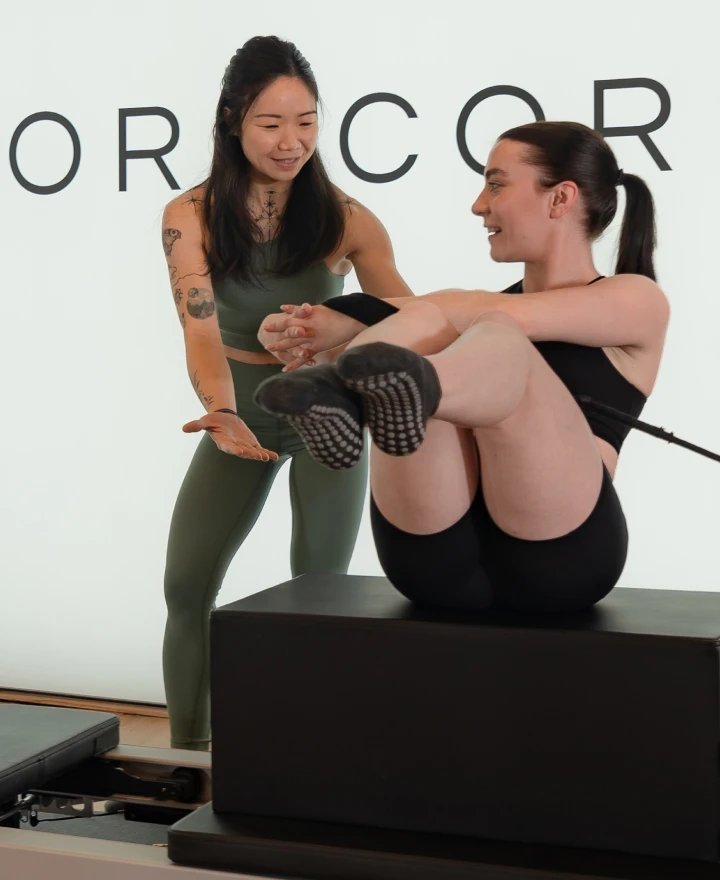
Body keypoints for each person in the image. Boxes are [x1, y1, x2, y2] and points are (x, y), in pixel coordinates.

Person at [254, 121, 670, 613]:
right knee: (433, 328)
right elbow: (444, 311)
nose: (479, 204)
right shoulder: (466, 313)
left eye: (496, 184)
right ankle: (347, 387)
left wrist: (350, 318)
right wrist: (311, 338)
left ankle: (381, 387)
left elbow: (487, 314)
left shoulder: (635, 298)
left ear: (560, 199)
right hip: (433, 552)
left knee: (487, 333)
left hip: (560, 554)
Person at [161, 35, 412, 750]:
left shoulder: (347, 217)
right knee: (186, 585)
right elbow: (201, 332)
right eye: (272, 123)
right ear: (234, 117)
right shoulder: (192, 215)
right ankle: (187, 756)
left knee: (320, 595)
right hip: (239, 411)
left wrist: (340, 331)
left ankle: (317, 760)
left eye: (306, 121)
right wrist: (222, 409)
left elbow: (414, 319)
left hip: (326, 413)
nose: (291, 141)